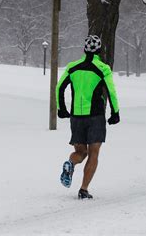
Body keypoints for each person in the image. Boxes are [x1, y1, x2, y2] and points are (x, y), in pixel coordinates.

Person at [56, 35, 120, 199]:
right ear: (99, 50)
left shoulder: (73, 67)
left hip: (76, 117)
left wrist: (62, 108)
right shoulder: (103, 68)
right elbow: (111, 92)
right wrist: (115, 113)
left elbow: (59, 88)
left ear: (84, 48)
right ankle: (83, 190)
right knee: (93, 153)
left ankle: (71, 163)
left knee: (80, 152)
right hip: (96, 117)